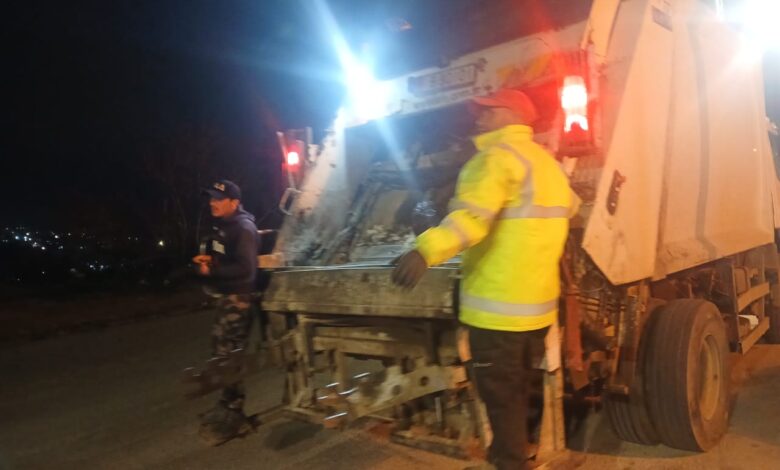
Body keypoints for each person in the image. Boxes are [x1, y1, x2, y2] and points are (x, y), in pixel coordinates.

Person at [392, 89, 575, 470]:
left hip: (497, 312)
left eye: (488, 111)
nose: (479, 117)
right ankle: (517, 452)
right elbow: (570, 208)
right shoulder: (547, 165)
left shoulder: (493, 160)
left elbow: (470, 221)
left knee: (501, 399)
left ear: (512, 114)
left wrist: (425, 250)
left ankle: (510, 462)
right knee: (519, 389)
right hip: (537, 310)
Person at [193, 179, 258, 446]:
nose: (212, 203)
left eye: (218, 199)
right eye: (211, 198)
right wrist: (209, 261)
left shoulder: (243, 228)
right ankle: (227, 402)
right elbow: (227, 258)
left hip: (238, 300)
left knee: (231, 356)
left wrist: (214, 271)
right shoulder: (223, 226)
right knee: (220, 354)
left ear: (234, 202)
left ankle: (235, 410)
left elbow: (246, 269)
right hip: (227, 298)